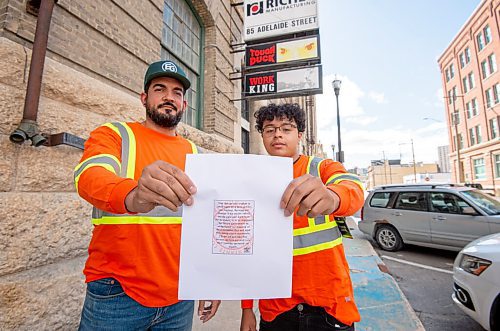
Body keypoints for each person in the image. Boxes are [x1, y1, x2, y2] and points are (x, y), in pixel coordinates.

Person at [74, 60, 220, 330]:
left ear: (184, 105)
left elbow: (206, 227)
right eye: (159, 89)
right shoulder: (115, 134)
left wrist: (208, 280)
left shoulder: (197, 155)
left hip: (179, 297)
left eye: (177, 93)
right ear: (144, 98)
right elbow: (89, 177)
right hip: (116, 294)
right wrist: (134, 195)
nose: (169, 97)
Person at [240, 103, 364, 331]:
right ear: (263, 136)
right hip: (276, 309)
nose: (277, 134)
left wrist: (333, 197)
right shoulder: (252, 180)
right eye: (269, 129)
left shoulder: (321, 168)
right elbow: (250, 250)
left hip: (329, 307)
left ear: (299, 135)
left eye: (286, 129)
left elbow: (353, 187)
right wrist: (247, 308)